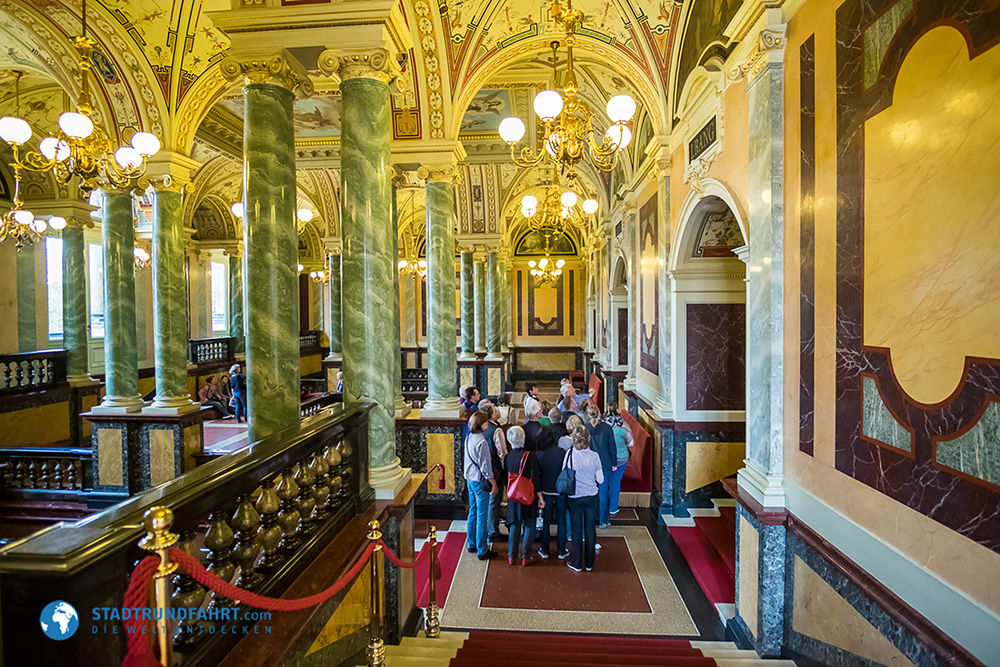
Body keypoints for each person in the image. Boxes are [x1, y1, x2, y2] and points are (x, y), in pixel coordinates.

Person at [504, 425, 545, 566]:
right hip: (528, 494)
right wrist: (540, 497)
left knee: (515, 524)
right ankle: (525, 556)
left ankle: (511, 556)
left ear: (510, 440)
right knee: (529, 524)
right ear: (524, 438)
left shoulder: (508, 457)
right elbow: (536, 478)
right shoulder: (530, 456)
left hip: (513, 495)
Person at [565, 427, 603, 572]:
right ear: (588, 439)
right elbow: (600, 479)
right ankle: (589, 563)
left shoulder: (569, 454)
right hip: (591, 496)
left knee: (576, 530)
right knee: (590, 529)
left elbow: (565, 472)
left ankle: (576, 562)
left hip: (574, 496)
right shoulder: (595, 456)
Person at [463, 412, 498, 560]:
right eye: (485, 422)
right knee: (482, 516)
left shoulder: (469, 437)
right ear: (482, 424)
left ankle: (471, 543)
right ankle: (482, 549)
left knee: (472, 511)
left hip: (470, 479)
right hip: (479, 481)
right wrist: (493, 483)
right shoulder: (482, 442)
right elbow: (486, 467)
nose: (487, 424)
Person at [537, 426, 568, 559]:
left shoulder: (538, 454)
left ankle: (544, 550)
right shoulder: (561, 452)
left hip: (545, 492)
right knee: (562, 521)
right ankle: (561, 550)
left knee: (546, 521)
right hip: (559, 490)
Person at [480, 399, 509, 540]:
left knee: (487, 500)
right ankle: (493, 532)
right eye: (495, 409)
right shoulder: (496, 430)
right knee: (494, 500)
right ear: (491, 415)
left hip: (483, 469)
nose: (498, 410)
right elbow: (502, 453)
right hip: (495, 469)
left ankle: (487, 527)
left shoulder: (481, 428)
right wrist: (505, 470)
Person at [584, 403, 616, 529]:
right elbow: (612, 447)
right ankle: (603, 521)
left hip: (589, 464)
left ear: (587, 414)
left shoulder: (585, 428)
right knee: (603, 493)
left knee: (590, 492)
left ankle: (589, 520)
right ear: (599, 414)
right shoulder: (607, 428)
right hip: (605, 464)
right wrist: (614, 463)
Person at [604, 402, 634, 516]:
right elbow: (631, 443)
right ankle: (613, 508)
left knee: (605, 481)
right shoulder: (624, 425)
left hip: (607, 458)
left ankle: (603, 505)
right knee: (615, 482)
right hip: (621, 458)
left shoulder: (604, 425)